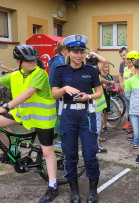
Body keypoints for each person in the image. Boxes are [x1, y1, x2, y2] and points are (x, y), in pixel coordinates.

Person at [0, 45, 58, 202]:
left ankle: (53, 186)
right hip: (23, 114)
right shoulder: (14, 76)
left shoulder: (39, 74)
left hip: (42, 117)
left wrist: (4, 107)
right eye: (27, 60)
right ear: (18, 62)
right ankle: (12, 152)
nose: (32, 62)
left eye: (34, 59)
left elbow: (28, 93)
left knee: (47, 152)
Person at [51, 35, 102, 203]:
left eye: (81, 52)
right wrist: (65, 88)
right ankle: (74, 191)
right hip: (68, 115)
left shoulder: (91, 70)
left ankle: (93, 190)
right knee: (70, 154)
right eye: (75, 52)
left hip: (87, 115)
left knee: (89, 154)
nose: (79, 56)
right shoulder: (60, 70)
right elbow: (54, 94)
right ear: (68, 52)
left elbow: (99, 93)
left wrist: (88, 96)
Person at [86, 50, 108, 153]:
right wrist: (94, 53)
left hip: (90, 101)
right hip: (96, 102)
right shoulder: (94, 70)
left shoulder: (84, 71)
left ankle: (93, 145)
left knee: (91, 125)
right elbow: (104, 60)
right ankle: (95, 147)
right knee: (96, 126)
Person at [48, 41, 68, 148]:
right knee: (60, 115)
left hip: (55, 91)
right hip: (59, 92)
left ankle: (60, 137)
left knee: (59, 115)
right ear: (64, 50)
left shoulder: (56, 59)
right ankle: (59, 140)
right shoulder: (60, 61)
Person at [122, 51, 139, 133]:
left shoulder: (137, 70)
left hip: (133, 93)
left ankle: (134, 126)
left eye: (129, 60)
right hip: (127, 91)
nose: (127, 61)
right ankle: (131, 124)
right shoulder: (126, 69)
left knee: (133, 110)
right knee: (129, 110)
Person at [100, 62, 114, 133]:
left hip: (107, 95)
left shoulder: (109, 76)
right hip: (101, 95)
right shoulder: (100, 76)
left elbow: (111, 86)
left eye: (108, 67)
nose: (107, 68)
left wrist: (112, 87)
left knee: (106, 112)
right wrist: (102, 86)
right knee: (100, 112)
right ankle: (99, 125)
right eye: (105, 67)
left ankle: (104, 125)